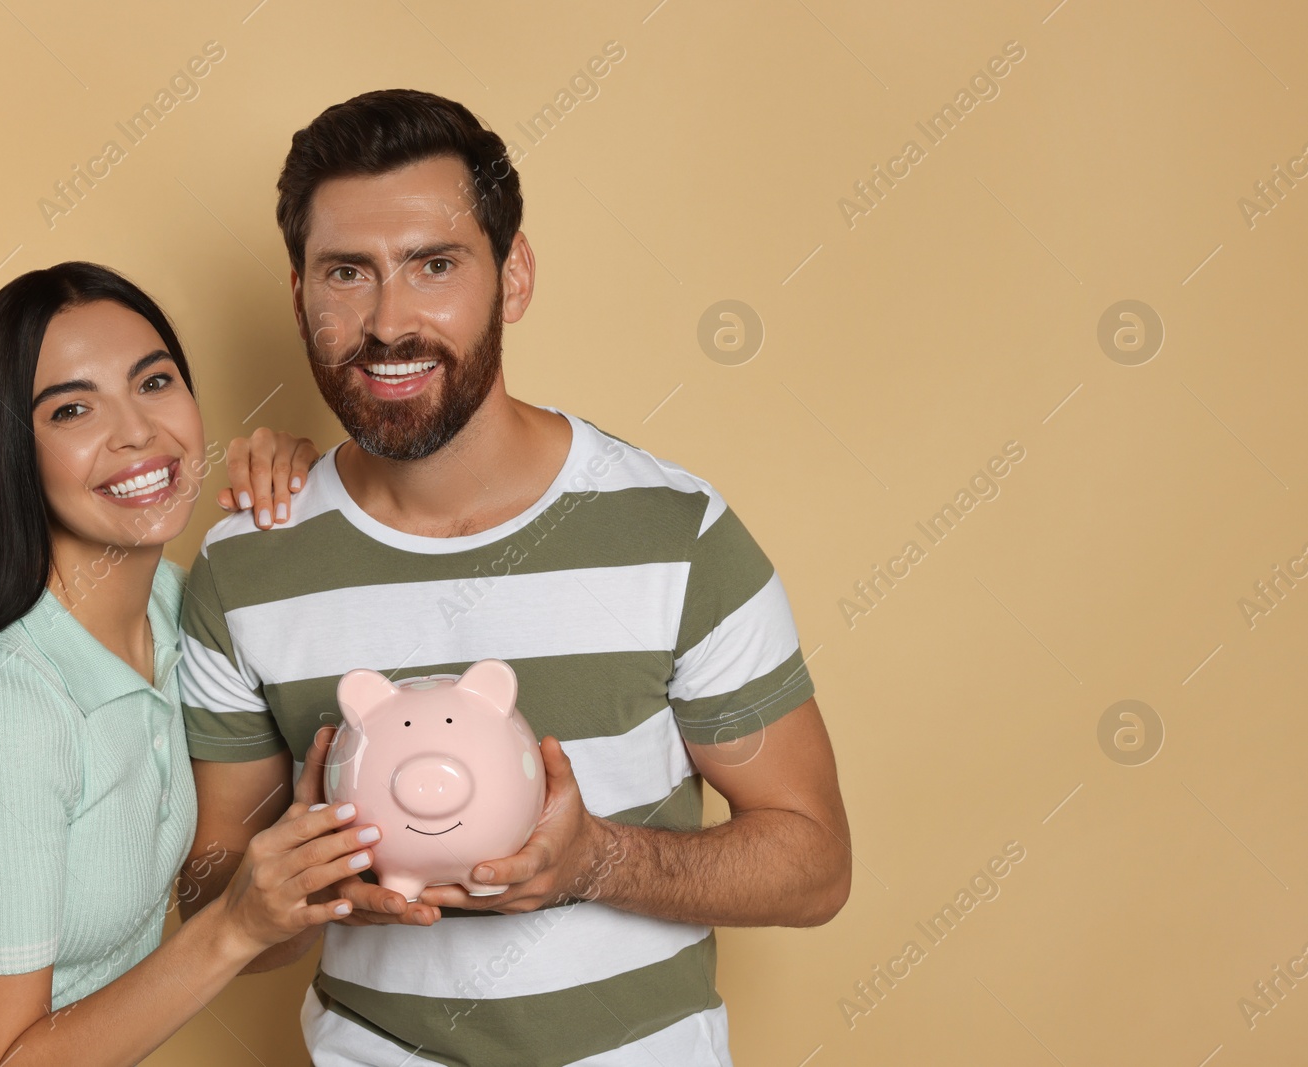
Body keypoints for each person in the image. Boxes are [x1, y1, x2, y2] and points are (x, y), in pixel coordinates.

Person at [178, 90, 852, 1065]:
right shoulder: (244, 566)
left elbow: (813, 862)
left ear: (514, 274)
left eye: (434, 264)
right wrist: (285, 885)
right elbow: (208, 885)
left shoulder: (676, 534)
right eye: (345, 273)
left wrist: (595, 862)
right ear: (299, 296)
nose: (387, 321)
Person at [0, 261, 372, 1067]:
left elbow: (248, 942)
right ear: (10, 449)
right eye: (73, 408)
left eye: (154, 382)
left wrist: (304, 485)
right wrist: (234, 924)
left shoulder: (177, 616)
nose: (137, 432)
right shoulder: (5, 706)